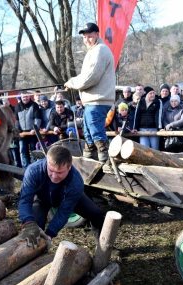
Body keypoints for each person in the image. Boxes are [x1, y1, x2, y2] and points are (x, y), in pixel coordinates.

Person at [18, 145, 105, 249]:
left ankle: (102, 248)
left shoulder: (76, 182)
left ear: (69, 167)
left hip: (66, 197)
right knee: (34, 227)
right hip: (41, 198)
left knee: (97, 214)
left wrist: (49, 235)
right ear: (47, 162)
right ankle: (34, 253)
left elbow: (64, 212)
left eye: (59, 172)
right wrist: (28, 223)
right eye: (51, 170)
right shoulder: (33, 171)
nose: (54, 176)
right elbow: (25, 200)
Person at [64, 22, 115, 164]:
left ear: (97, 35)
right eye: (84, 37)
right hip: (93, 101)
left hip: (98, 100)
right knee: (88, 131)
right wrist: (72, 82)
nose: (86, 40)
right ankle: (89, 159)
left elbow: (90, 77)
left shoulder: (99, 50)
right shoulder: (94, 51)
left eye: (89, 36)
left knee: (96, 131)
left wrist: (72, 83)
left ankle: (106, 162)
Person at [14, 91, 42, 168]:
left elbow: (38, 119)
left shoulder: (34, 105)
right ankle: (25, 167)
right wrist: (17, 130)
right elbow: (17, 120)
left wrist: (35, 129)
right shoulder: (18, 106)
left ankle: (33, 166)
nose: (25, 98)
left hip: (32, 132)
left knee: (33, 150)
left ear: (29, 97)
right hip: (22, 133)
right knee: (23, 151)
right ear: (21, 98)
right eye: (23, 97)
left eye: (26, 97)